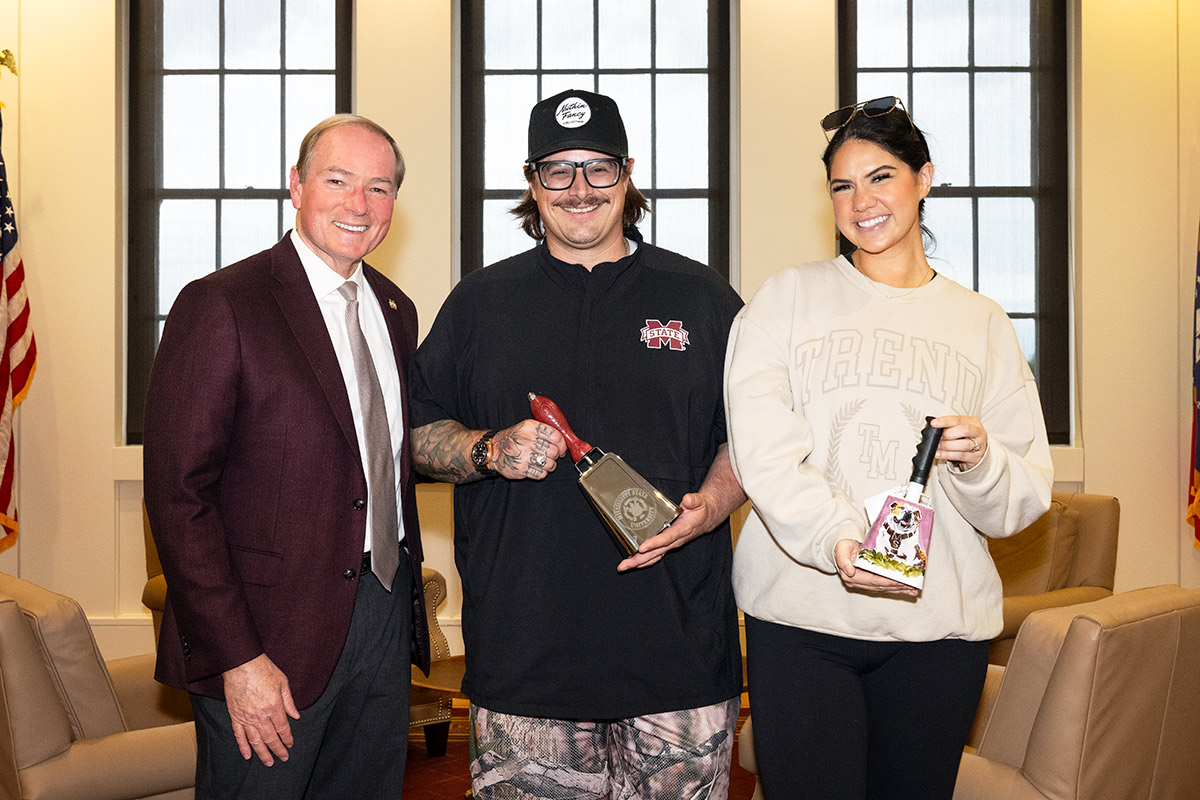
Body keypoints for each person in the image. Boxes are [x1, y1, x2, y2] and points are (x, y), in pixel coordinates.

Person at [408, 88, 746, 799]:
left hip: (678, 654)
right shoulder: (479, 304)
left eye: (598, 167)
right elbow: (414, 434)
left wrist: (712, 505)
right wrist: (485, 450)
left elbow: (752, 438)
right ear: (532, 182)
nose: (580, 189)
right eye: (558, 171)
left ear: (628, 171)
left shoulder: (704, 299)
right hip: (525, 659)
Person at [723, 96, 1053, 800]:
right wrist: (839, 540)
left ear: (923, 178)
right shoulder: (786, 300)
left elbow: (1022, 494)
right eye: (841, 185)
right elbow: (765, 451)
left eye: (881, 177)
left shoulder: (983, 323)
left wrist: (979, 459)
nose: (860, 201)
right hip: (801, 618)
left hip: (938, 633)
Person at [143, 114, 429, 799]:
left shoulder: (395, 309)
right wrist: (238, 658)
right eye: (338, 180)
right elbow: (180, 497)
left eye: (379, 187)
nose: (359, 204)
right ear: (296, 187)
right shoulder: (222, 304)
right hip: (267, 637)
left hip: (381, 618)